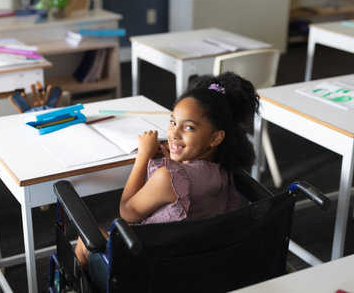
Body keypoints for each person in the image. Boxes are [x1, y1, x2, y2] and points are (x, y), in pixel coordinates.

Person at [75, 71, 260, 290]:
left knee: (84, 241)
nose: (173, 134)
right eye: (173, 122)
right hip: (195, 271)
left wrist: (143, 156)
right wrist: (174, 160)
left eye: (188, 127)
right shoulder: (223, 170)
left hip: (147, 277)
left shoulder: (169, 177)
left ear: (216, 137)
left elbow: (127, 212)